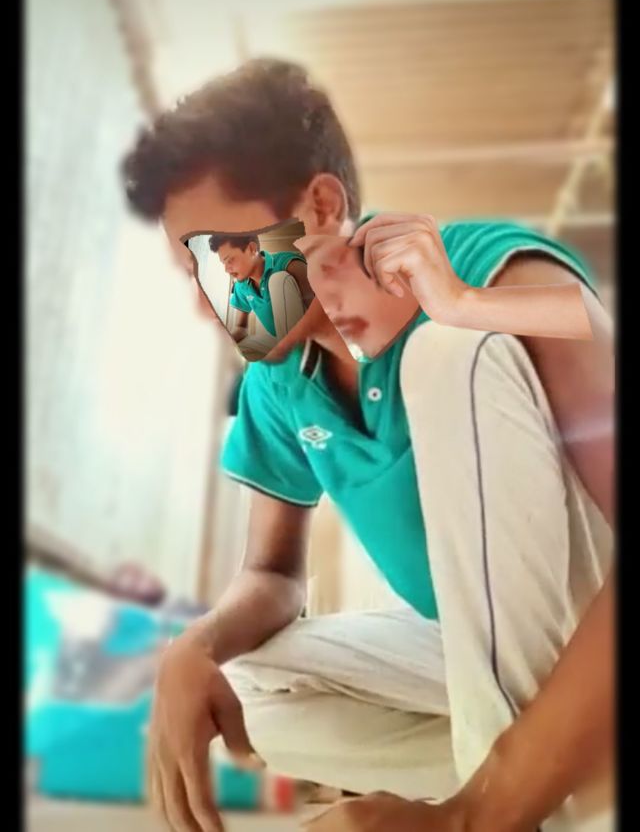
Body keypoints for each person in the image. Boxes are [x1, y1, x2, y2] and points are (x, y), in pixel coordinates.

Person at [121, 58, 615, 832]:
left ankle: (505, 805)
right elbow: (270, 573)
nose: (205, 304)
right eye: (191, 273)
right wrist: (194, 647)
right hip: (467, 656)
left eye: (220, 257)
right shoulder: (277, 380)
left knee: (451, 351)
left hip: (594, 633)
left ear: (320, 206)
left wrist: (468, 820)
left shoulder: (491, 270)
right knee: (244, 684)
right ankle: (554, 778)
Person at [207, 232, 312, 361]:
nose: (226, 269)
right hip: (276, 341)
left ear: (252, 249)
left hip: (309, 340)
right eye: (224, 263)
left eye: (230, 260)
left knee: (278, 279)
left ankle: (295, 361)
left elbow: (321, 311)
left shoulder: (290, 264)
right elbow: (241, 328)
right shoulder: (241, 286)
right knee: (236, 348)